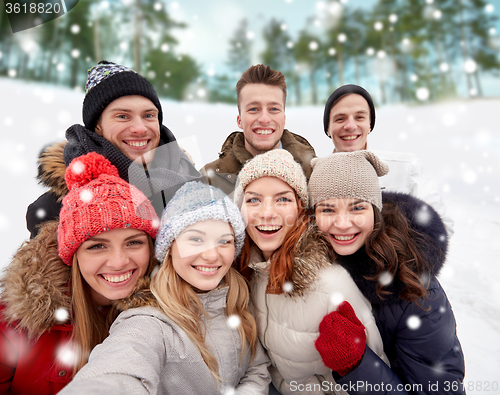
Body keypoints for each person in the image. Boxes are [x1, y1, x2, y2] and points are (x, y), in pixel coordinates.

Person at [58, 181, 271, 394]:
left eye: (224, 241)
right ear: (169, 248)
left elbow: (257, 369)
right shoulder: (150, 321)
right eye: (196, 239)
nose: (212, 255)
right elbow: (119, 368)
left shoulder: (237, 299)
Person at [0, 152, 159, 394]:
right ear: (72, 256)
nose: (118, 262)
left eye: (133, 242)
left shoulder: (167, 316)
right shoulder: (15, 323)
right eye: (97, 246)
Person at [308, 150, 465, 395]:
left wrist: (356, 366)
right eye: (328, 210)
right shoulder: (314, 266)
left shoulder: (415, 288)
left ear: (375, 211)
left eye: (357, 208)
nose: (342, 223)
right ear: (313, 215)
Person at [233, 149, 388, 395]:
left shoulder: (331, 283)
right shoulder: (246, 274)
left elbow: (374, 383)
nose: (266, 212)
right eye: (253, 199)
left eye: (283, 199)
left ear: (300, 210)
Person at [26, 60, 200, 239]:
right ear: (97, 126)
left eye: (148, 115)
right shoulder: (57, 211)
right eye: (122, 116)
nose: (140, 128)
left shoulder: (193, 184)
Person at [323, 84, 454, 236]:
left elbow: (441, 228)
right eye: (340, 119)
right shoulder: (313, 177)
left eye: (360, 117)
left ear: (370, 124)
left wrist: (393, 253)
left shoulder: (405, 168)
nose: (350, 126)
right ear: (328, 128)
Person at [200, 64, 316, 197]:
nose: (264, 119)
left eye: (273, 109)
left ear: (283, 119)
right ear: (239, 121)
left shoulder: (314, 174)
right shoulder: (208, 180)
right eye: (253, 109)